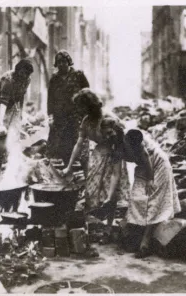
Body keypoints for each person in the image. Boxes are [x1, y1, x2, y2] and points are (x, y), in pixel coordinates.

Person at [62, 88, 130, 248]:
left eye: (81, 107)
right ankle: (88, 228)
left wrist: (117, 158)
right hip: (98, 155)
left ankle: (107, 229)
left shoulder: (108, 118)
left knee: (110, 194)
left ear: (90, 106)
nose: (79, 111)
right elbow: (79, 144)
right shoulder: (86, 121)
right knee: (91, 192)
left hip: (114, 155)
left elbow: (122, 139)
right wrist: (69, 167)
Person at [116, 129, 181, 258]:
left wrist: (151, 180)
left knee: (153, 200)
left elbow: (145, 158)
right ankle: (133, 234)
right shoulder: (120, 140)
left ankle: (145, 243)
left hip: (158, 165)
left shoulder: (139, 145)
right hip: (143, 166)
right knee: (136, 197)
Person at [0, 59, 34, 180]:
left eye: (26, 74)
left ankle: (11, 167)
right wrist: (0, 123)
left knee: (13, 135)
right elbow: (3, 103)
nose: (24, 76)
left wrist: (20, 114)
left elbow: (21, 97)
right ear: (18, 70)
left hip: (12, 106)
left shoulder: (27, 79)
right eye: (22, 73)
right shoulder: (8, 80)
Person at [46, 50, 90, 165]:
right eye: (59, 62)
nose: (61, 64)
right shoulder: (54, 79)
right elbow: (50, 98)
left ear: (68, 62)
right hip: (60, 115)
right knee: (63, 143)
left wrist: (87, 109)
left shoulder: (78, 75)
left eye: (64, 61)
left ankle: (80, 167)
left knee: (78, 140)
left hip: (76, 114)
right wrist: (50, 116)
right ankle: (67, 168)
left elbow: (87, 92)